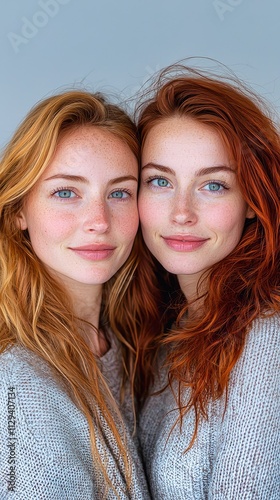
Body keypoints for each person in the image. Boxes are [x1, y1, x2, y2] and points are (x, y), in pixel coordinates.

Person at [134, 65, 280, 499]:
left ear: (252, 201)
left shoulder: (266, 340)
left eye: (213, 185)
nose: (182, 212)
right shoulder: (170, 326)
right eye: (160, 181)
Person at [0, 89, 151, 499]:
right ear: (18, 211)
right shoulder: (16, 380)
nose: (99, 221)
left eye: (119, 192)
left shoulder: (127, 342)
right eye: (66, 192)